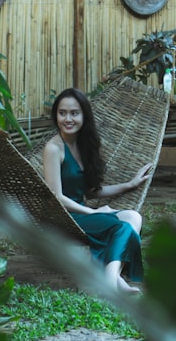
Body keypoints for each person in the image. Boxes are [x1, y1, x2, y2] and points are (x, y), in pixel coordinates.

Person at [42, 88, 152, 295]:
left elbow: (92, 192)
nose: (68, 118)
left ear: (84, 115)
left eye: (74, 113)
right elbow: (56, 197)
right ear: (55, 115)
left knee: (133, 217)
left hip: (81, 211)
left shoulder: (84, 146)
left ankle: (112, 278)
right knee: (123, 228)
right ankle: (112, 282)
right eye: (62, 113)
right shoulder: (53, 149)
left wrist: (130, 184)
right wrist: (93, 213)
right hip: (64, 217)